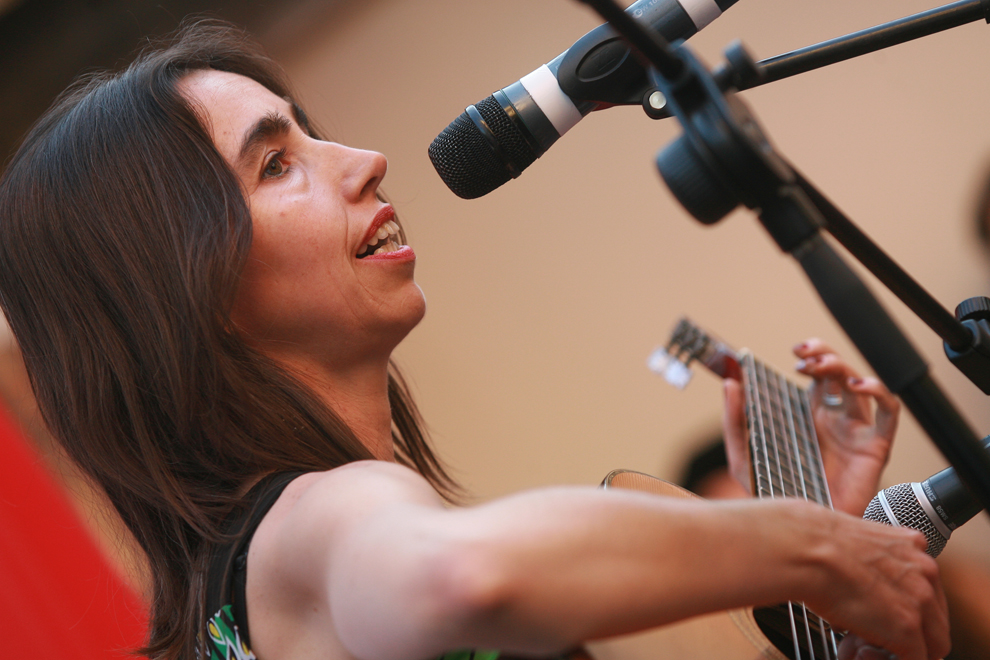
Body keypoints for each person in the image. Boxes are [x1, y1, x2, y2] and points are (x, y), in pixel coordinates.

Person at [0, 20, 948, 660]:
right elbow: (460, 573)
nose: (365, 161)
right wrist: (812, 544)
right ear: (183, 292)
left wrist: (814, 574)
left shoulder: (250, 581)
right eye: (276, 163)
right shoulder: (312, 521)